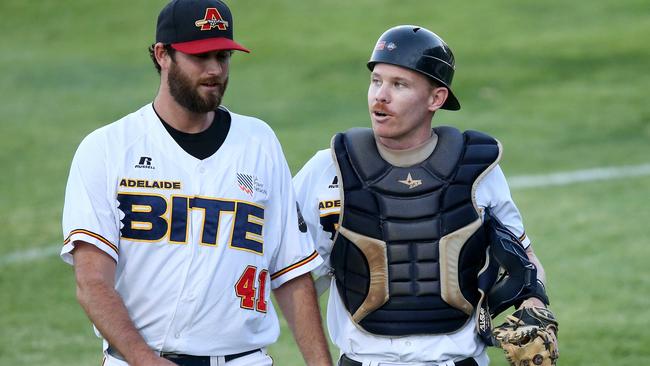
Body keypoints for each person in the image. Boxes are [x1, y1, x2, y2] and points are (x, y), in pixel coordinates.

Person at [61, 1, 333, 365]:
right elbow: (92, 283)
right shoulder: (109, 148)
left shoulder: (259, 143)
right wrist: (146, 360)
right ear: (162, 55)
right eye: (200, 56)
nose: (214, 70)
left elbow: (292, 273)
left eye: (222, 56)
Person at [293, 25, 559, 366]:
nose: (380, 96)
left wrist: (535, 301)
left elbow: (523, 256)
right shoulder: (329, 167)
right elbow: (290, 273)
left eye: (399, 85)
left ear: (437, 98)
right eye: (376, 81)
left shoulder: (476, 167)